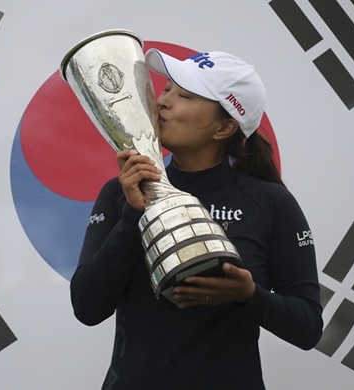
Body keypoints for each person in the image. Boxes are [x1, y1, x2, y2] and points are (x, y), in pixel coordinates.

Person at [70, 48, 323, 390]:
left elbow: (308, 327)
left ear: (224, 127)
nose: (163, 102)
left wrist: (248, 295)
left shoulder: (271, 202)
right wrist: (134, 215)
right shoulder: (121, 192)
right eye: (167, 89)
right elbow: (87, 307)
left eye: (185, 95)